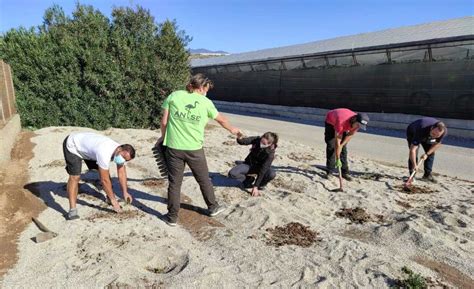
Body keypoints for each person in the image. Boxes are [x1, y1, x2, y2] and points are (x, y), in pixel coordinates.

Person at [159, 73, 241, 226]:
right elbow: (222, 120)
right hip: (195, 149)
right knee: (203, 179)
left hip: (174, 147)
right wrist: (234, 130)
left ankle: (172, 217)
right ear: (202, 87)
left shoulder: (174, 96)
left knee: (175, 183)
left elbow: (164, 122)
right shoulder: (206, 102)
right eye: (207, 89)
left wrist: (164, 138)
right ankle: (213, 207)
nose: (207, 92)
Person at [62, 132, 136, 220]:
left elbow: (121, 172)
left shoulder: (119, 151)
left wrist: (125, 192)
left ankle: (109, 197)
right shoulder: (104, 152)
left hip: (90, 151)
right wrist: (114, 201)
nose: (123, 160)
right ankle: (72, 210)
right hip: (73, 146)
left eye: (125, 160)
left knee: (105, 173)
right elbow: (104, 180)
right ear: (119, 149)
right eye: (123, 157)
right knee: (75, 177)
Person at [324, 108, 369, 180]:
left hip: (345, 123)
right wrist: (337, 156)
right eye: (358, 125)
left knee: (343, 148)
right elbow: (338, 138)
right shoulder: (341, 121)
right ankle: (330, 171)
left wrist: (341, 145)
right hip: (331, 121)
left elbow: (350, 134)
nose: (358, 127)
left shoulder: (357, 124)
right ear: (354, 119)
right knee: (331, 146)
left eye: (360, 126)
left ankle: (345, 172)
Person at [228, 132, 278, 197]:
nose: (261, 144)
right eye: (261, 141)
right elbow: (243, 141)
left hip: (261, 168)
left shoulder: (270, 154)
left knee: (271, 174)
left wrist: (255, 186)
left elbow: (263, 170)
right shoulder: (257, 139)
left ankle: (261, 184)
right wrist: (239, 138)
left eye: (264, 144)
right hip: (249, 164)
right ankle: (248, 179)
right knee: (232, 173)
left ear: (270, 144)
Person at [406, 117, 447, 183]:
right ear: (432, 128)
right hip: (413, 131)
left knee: (431, 153)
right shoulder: (421, 129)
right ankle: (412, 176)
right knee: (414, 153)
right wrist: (415, 165)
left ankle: (427, 175)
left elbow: (437, 144)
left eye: (437, 136)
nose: (434, 137)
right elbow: (412, 150)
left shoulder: (443, 132)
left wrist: (427, 154)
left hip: (427, 134)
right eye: (433, 134)